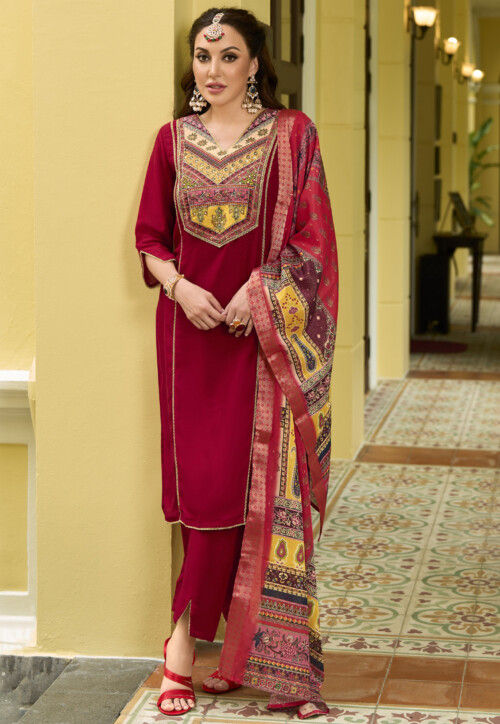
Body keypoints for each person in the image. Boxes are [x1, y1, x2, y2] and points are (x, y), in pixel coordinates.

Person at [135, 6, 339, 720]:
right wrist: (182, 289)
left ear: (255, 63)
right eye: (203, 56)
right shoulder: (172, 141)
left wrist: (259, 294)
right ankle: (181, 652)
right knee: (205, 500)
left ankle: (271, 664)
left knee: (267, 495)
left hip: (265, 346)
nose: (213, 70)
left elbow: (315, 242)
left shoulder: (293, 135)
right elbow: (150, 240)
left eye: (228, 56)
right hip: (191, 344)